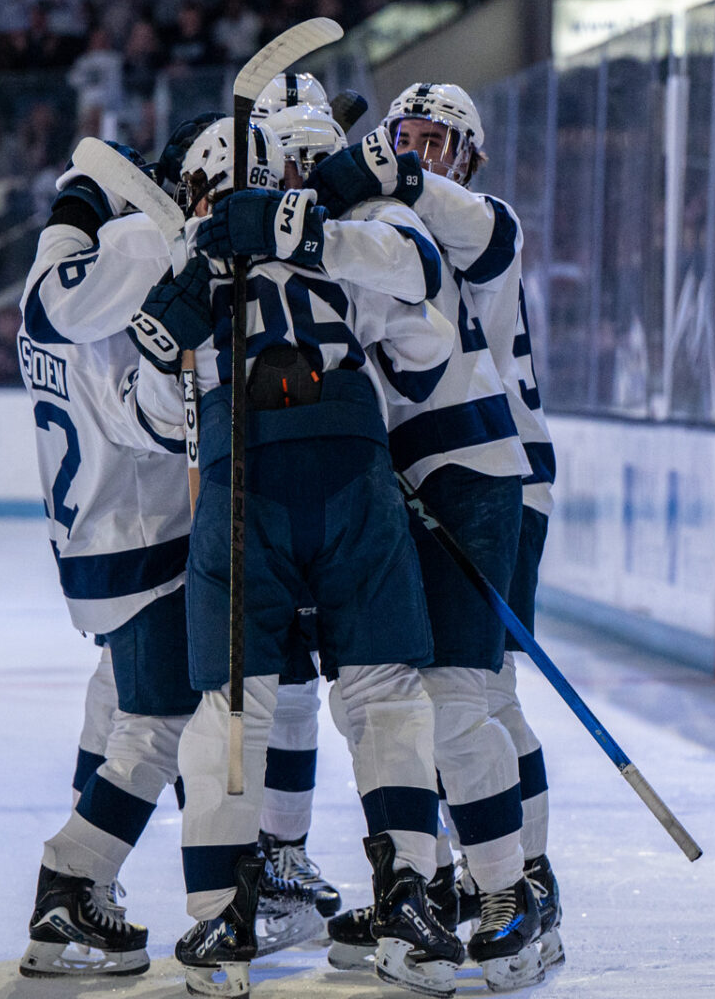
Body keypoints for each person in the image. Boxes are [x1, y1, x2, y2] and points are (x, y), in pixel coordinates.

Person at [130, 117, 465, 999]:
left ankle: (219, 920)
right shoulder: (348, 230)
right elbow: (427, 342)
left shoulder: (195, 257)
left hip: (245, 490)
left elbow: (157, 405)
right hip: (355, 472)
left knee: (232, 705)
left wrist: (200, 282)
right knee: (383, 688)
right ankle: (410, 902)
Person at [307, 81, 560, 984]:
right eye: (405, 134)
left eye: (438, 140)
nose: (419, 152)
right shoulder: (388, 217)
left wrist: (367, 173)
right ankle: (456, 881)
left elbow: (440, 217)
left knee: (476, 694)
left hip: (497, 473)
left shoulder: (479, 219)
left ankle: (522, 884)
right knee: (436, 695)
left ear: (469, 155)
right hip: (418, 474)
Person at [12, 140, 204, 979]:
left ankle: (92, 889)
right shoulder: (139, 251)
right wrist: (181, 355)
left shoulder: (57, 266)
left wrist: (85, 188)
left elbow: (66, 229)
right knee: (160, 722)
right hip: (142, 535)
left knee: (115, 703)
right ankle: (72, 882)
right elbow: (148, 423)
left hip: (88, 540)